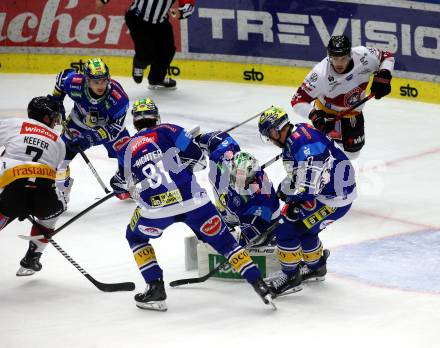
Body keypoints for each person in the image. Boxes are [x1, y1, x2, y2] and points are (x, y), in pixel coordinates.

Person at [110, 97, 274, 311]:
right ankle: (260, 285)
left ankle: (155, 287)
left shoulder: (126, 148)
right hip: (194, 202)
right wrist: (181, 156)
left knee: (135, 236)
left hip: (156, 210)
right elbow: (198, 159)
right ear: (156, 117)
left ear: (134, 123)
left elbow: (122, 185)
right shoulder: (169, 129)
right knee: (226, 244)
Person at [257, 106, 357, 297]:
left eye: (268, 134)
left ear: (275, 130)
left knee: (285, 229)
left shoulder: (303, 145)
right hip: (334, 192)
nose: (269, 139)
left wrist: (296, 201)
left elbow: (310, 180)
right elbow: (301, 172)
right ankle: (316, 267)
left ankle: (290, 277)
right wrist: (286, 188)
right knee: (306, 230)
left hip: (333, 199)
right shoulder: (298, 133)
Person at [291, 35, 395, 159]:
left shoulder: (364, 55)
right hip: (326, 114)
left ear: (350, 54)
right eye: (335, 58)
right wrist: (314, 115)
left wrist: (385, 74)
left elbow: (387, 56)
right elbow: (297, 101)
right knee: (324, 152)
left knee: (353, 153)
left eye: (343, 58)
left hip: (353, 112)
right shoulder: (319, 74)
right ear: (329, 57)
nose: (339, 63)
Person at [0, 96, 67, 276]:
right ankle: (33, 257)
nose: (55, 121)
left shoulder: (15, 124)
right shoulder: (59, 142)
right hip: (44, 199)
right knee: (56, 208)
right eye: (54, 117)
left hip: (10, 193)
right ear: (46, 117)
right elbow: (57, 175)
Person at [50, 57, 131, 200]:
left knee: (129, 155)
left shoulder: (118, 99)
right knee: (59, 158)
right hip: (78, 124)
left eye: (104, 80)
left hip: (108, 128)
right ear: (86, 80)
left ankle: (123, 181)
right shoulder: (74, 84)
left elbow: (115, 129)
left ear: (108, 79)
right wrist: (57, 101)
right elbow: (61, 77)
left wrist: (90, 139)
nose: (100, 85)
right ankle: (61, 191)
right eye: (95, 81)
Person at [196, 131, 280, 246]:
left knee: (255, 238)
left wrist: (230, 240)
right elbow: (220, 139)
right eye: (236, 177)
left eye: (244, 180)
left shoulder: (262, 198)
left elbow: (250, 232)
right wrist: (196, 140)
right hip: (228, 211)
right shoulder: (223, 158)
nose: (239, 183)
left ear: (252, 177)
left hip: (255, 220)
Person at [97, 0, 196, 90]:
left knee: (167, 50)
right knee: (147, 54)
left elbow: (189, 5)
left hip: (160, 22)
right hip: (137, 19)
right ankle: (138, 65)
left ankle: (156, 79)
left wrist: (182, 12)